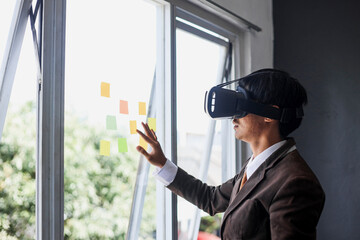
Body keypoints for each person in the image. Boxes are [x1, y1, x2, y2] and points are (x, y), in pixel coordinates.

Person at [136, 69, 325, 240]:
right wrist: (162, 163)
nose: (233, 118)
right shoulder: (257, 165)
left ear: (269, 115)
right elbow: (212, 199)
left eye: (241, 106)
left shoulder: (296, 182)